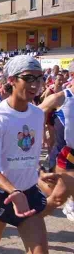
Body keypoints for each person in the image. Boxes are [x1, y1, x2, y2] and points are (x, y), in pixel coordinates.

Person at [0, 55, 48, 254]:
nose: (35, 84)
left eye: (39, 78)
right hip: (1, 196)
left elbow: (29, 155)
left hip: (29, 194)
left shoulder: (37, 114)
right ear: (12, 80)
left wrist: (41, 172)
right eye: (28, 78)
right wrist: (14, 192)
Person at [38, 64, 74, 221]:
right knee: (58, 196)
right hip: (65, 153)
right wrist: (41, 136)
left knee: (59, 192)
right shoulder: (60, 97)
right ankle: (30, 221)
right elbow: (35, 114)